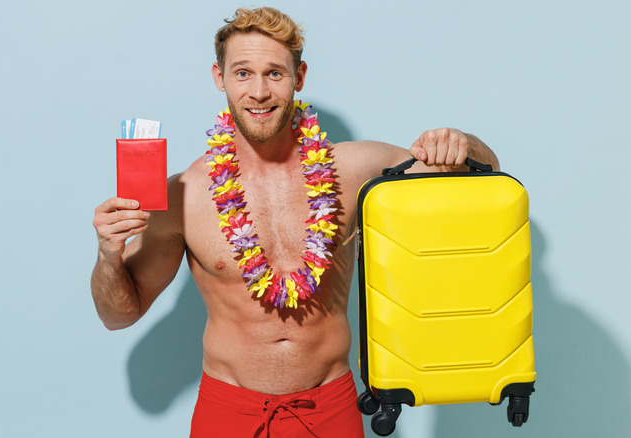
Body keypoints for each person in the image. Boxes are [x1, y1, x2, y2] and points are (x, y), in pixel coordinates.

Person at [91, 6, 499, 438]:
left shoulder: (354, 170)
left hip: (330, 406)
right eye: (243, 73)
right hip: (228, 412)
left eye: (275, 74)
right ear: (220, 78)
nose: (259, 91)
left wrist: (457, 142)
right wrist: (108, 255)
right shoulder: (184, 195)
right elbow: (119, 316)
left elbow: (484, 173)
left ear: (299, 77)